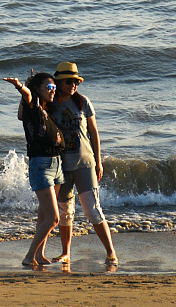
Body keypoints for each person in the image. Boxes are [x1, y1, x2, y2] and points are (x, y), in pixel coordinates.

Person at [49, 61, 118, 266]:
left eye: (75, 81)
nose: (73, 85)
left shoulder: (83, 102)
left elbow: (94, 132)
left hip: (85, 163)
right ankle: (65, 253)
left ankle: (111, 252)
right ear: (59, 83)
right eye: (68, 81)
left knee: (92, 210)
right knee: (65, 211)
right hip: (61, 166)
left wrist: (99, 161)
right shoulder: (50, 105)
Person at [3, 70, 65, 267]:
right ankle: (29, 256)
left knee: (44, 216)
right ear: (37, 89)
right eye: (49, 88)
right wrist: (21, 87)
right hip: (41, 165)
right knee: (54, 218)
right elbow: (27, 96)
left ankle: (40, 255)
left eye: (54, 87)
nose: (53, 91)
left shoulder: (46, 109)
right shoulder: (32, 105)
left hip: (56, 165)